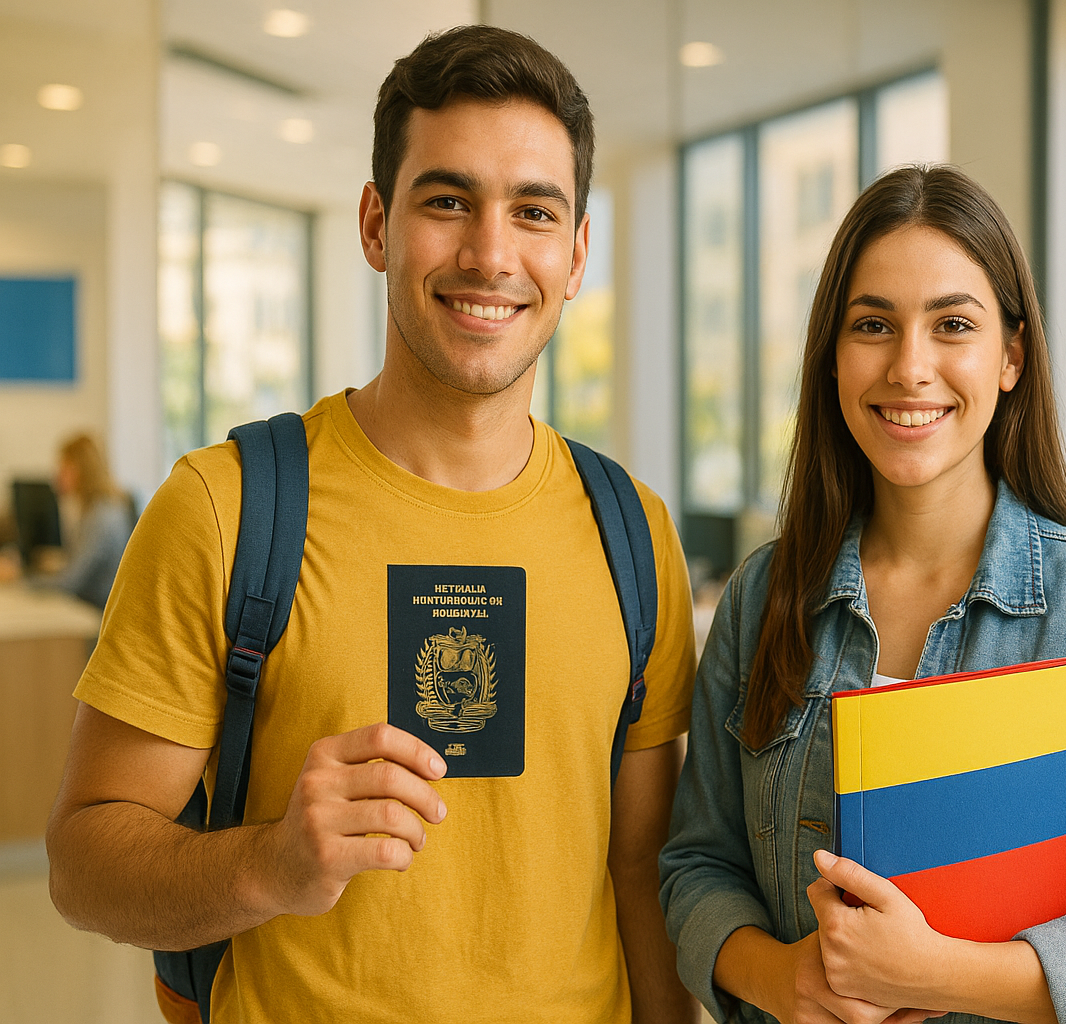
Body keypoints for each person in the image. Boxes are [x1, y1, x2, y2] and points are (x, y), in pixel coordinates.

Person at [47, 25, 696, 1024]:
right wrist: (269, 860)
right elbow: (84, 864)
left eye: (532, 212)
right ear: (375, 224)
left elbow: (638, 870)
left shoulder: (634, 533)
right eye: (448, 201)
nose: (490, 253)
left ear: (574, 257)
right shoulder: (225, 508)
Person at [659, 166, 1066, 1024]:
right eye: (873, 325)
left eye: (952, 324)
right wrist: (782, 980)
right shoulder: (762, 597)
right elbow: (697, 867)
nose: (909, 367)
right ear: (833, 355)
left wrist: (936, 975)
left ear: (1011, 356)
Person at [33, 433, 134, 609]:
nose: (56, 476)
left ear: (82, 470)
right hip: (93, 608)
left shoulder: (102, 516)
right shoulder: (96, 509)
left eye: (64, 468)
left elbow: (70, 584)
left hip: (98, 615)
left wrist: (26, 583)